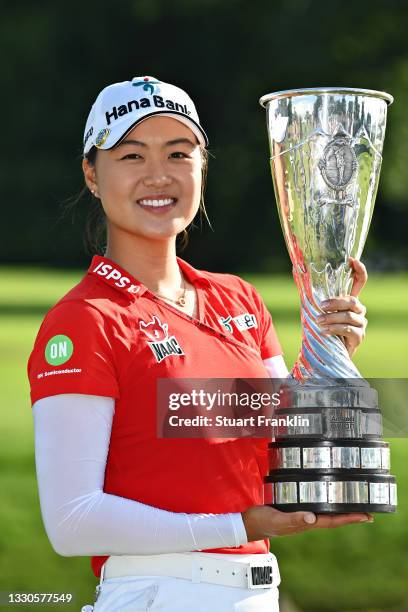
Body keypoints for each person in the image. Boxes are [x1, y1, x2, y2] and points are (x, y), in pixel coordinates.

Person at [27, 76, 371, 612]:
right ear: (92, 175)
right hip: (155, 594)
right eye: (132, 155)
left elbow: (288, 453)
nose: (158, 175)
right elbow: (72, 523)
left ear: (202, 169)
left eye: (179, 153)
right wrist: (239, 524)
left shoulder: (240, 300)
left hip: (257, 593)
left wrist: (332, 355)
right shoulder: (83, 322)